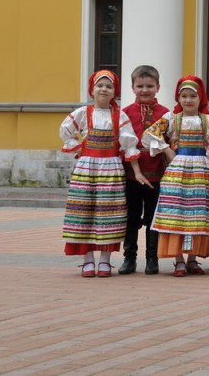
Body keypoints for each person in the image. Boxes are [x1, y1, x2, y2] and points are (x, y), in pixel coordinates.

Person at [142, 76, 209, 277]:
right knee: (177, 212)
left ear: (199, 97)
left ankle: (192, 259)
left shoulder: (208, 121)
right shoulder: (172, 119)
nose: (188, 100)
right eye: (183, 96)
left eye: (192, 96)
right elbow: (149, 135)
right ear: (178, 98)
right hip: (177, 170)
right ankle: (179, 260)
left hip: (201, 170)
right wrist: (167, 150)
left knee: (196, 213)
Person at [60, 70, 146, 278]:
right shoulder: (83, 112)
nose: (104, 89)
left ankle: (105, 260)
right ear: (92, 90)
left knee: (108, 213)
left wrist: (137, 171)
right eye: (100, 85)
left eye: (109, 86)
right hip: (87, 168)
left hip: (110, 168)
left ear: (114, 92)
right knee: (85, 211)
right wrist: (79, 149)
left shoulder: (119, 116)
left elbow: (129, 144)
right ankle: (88, 259)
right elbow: (65, 131)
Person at [119, 65, 170, 275]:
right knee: (131, 217)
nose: (145, 90)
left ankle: (152, 258)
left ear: (157, 87)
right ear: (132, 87)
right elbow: (120, 143)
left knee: (152, 218)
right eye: (140, 86)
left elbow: (170, 141)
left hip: (156, 174)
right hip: (131, 174)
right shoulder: (125, 113)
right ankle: (129, 258)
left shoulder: (166, 114)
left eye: (149, 86)